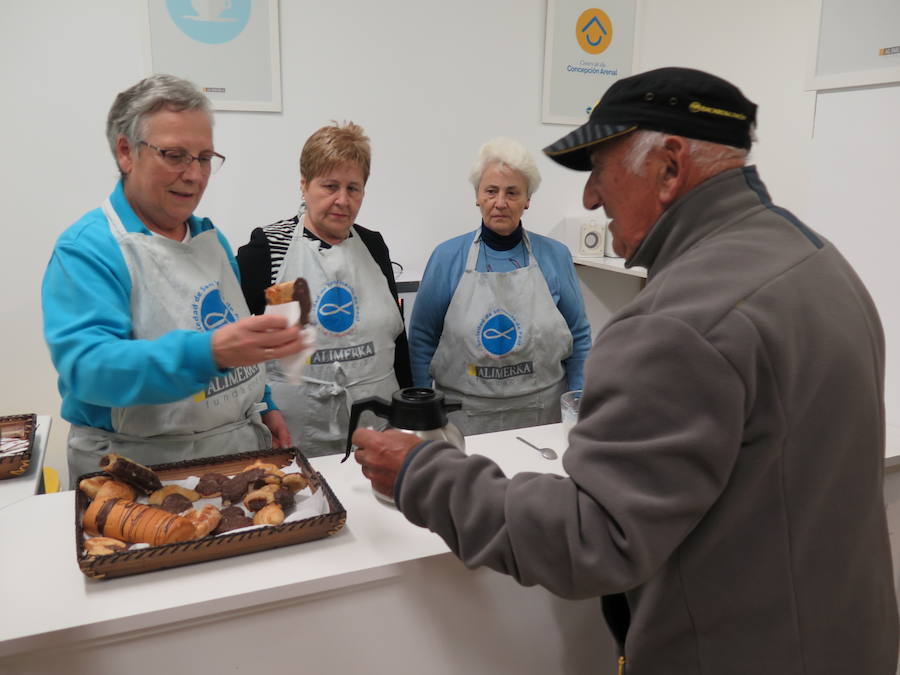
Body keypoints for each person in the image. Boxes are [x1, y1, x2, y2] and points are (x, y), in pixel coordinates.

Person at [352, 67, 899, 673]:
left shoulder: (678, 323)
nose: (589, 197)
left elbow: (590, 538)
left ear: (668, 167)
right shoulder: (820, 262)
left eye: (600, 167)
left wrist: (421, 473)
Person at [42, 74, 305, 487]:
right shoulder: (90, 249)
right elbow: (89, 369)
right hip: (135, 469)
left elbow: (230, 335)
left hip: (234, 451)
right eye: (175, 155)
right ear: (126, 152)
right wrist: (209, 353)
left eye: (204, 158)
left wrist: (264, 403)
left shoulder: (210, 240)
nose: (194, 175)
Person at [237, 121, 412, 456]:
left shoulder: (373, 247)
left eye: (353, 188)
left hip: (377, 430)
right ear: (304, 185)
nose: (342, 200)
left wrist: (410, 408)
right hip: (295, 433)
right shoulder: (269, 248)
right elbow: (238, 346)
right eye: (330, 186)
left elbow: (397, 339)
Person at [408, 138, 591, 435]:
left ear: (527, 199)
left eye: (512, 192)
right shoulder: (447, 258)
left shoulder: (555, 256)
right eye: (491, 191)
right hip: (463, 419)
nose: (501, 202)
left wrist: (581, 402)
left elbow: (579, 335)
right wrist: (421, 409)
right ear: (477, 196)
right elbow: (421, 338)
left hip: (542, 418)